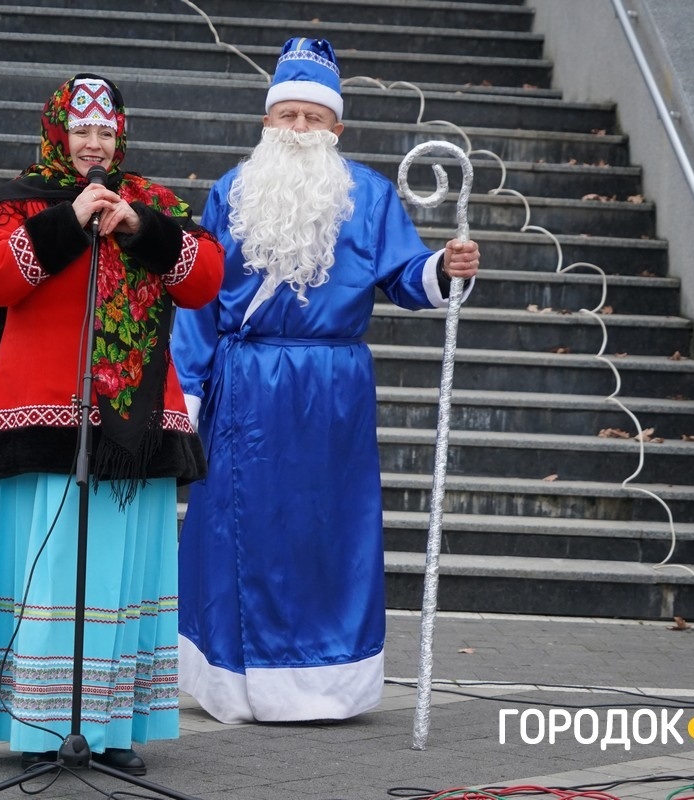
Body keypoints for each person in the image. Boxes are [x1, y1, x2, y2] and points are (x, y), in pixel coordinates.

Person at [170, 37, 481, 725]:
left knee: (327, 529)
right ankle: (232, 682)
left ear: (337, 127)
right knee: (232, 528)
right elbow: (196, 296)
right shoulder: (232, 192)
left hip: (329, 394)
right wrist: (185, 393)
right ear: (267, 124)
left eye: (315, 118)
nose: (302, 130)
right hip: (245, 386)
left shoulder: (367, 196)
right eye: (289, 117)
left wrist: (443, 267)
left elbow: (404, 276)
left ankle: (324, 681)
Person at [0, 74, 223, 776]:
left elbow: (206, 279)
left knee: (122, 577)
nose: (94, 142)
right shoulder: (22, 203)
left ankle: (114, 721)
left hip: (132, 425)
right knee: (53, 576)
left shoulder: (150, 202)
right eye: (81, 128)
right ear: (57, 132)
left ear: (119, 134)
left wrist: (137, 227)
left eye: (105, 129)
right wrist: (67, 222)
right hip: (41, 419)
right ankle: (39, 725)